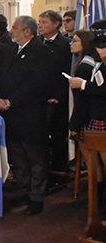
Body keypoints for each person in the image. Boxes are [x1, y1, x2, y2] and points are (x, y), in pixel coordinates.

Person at [0, 16, 52, 215]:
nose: (11, 30)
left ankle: (37, 196)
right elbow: (0, 76)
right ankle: (23, 189)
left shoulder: (41, 51)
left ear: (27, 31)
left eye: (15, 27)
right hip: (10, 113)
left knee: (35, 156)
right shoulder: (10, 50)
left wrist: (12, 101)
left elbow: (38, 83)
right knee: (17, 154)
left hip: (30, 113)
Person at [68, 21, 106, 217]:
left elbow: (91, 96)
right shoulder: (97, 63)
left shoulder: (88, 65)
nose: (100, 49)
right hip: (95, 117)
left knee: (97, 164)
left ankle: (99, 204)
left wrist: (83, 84)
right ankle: (97, 203)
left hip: (97, 118)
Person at [38, 10, 72, 174]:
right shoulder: (37, 43)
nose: (40, 26)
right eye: (39, 22)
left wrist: (58, 95)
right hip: (39, 96)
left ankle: (59, 169)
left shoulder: (66, 45)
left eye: (44, 22)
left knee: (58, 135)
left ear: (56, 24)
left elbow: (67, 72)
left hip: (58, 97)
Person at [68, 30, 100, 143]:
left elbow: (81, 99)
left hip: (86, 119)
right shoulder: (93, 62)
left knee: (91, 158)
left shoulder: (84, 67)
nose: (71, 43)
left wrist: (74, 125)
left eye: (75, 41)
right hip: (90, 116)